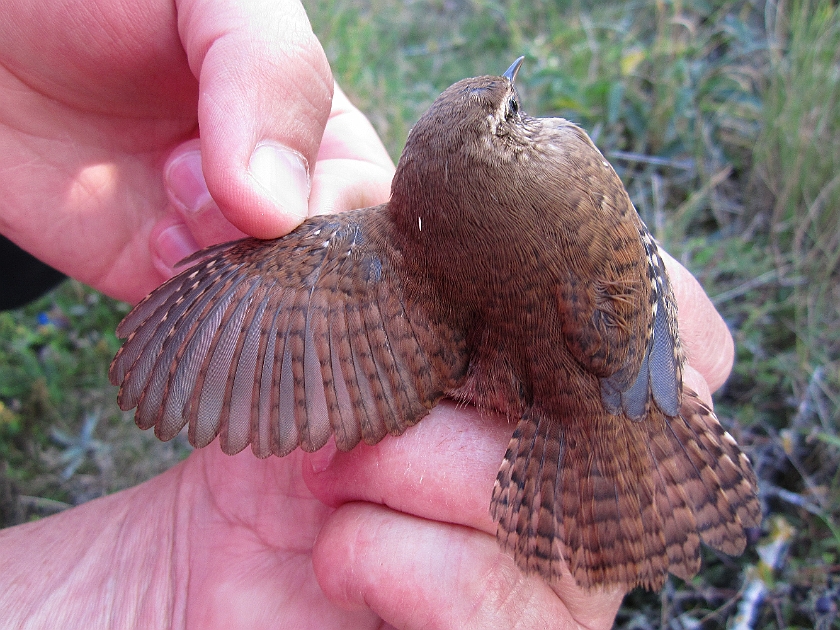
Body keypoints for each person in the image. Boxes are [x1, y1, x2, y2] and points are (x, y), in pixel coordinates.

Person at [0, 0, 735, 627]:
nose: (517, 92)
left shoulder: (378, 250)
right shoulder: (573, 160)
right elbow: (641, 265)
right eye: (512, 106)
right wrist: (645, 368)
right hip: (602, 385)